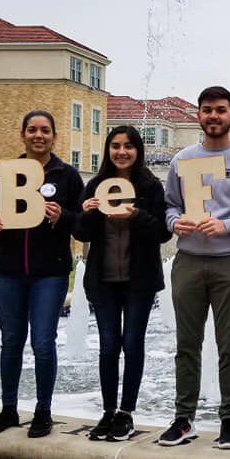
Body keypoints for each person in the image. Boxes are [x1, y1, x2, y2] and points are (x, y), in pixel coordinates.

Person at [160, 87, 230, 449]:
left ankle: (229, 420)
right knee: (186, 344)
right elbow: (169, 207)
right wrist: (175, 223)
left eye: (220, 110)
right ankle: (183, 418)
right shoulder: (183, 160)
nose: (213, 116)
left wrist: (227, 226)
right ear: (199, 115)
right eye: (207, 110)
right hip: (189, 260)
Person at [0, 110, 84, 439]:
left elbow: (83, 225)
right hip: (7, 271)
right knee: (11, 341)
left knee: (43, 342)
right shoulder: (6, 174)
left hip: (49, 273)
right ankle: (9, 409)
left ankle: (43, 411)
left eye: (44, 130)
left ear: (54, 136)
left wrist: (62, 217)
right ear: (22, 135)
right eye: (32, 130)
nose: (38, 135)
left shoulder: (66, 176)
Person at [73, 125, 172, 441]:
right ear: (108, 149)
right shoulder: (96, 185)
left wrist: (136, 216)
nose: (122, 151)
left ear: (137, 150)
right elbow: (80, 233)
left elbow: (163, 232)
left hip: (138, 280)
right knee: (108, 346)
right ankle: (107, 411)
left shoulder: (150, 186)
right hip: (103, 281)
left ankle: (126, 413)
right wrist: (87, 213)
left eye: (128, 146)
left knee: (132, 343)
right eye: (115, 145)